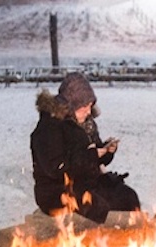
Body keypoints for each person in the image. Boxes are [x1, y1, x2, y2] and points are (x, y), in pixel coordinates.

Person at [30, 72, 140, 223]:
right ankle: (98, 244)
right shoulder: (49, 128)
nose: (89, 111)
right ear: (69, 106)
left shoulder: (85, 124)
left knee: (127, 197)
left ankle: (129, 241)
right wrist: (93, 155)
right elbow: (57, 169)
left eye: (90, 106)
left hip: (87, 183)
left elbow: (90, 156)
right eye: (84, 107)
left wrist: (106, 151)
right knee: (99, 208)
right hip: (58, 191)